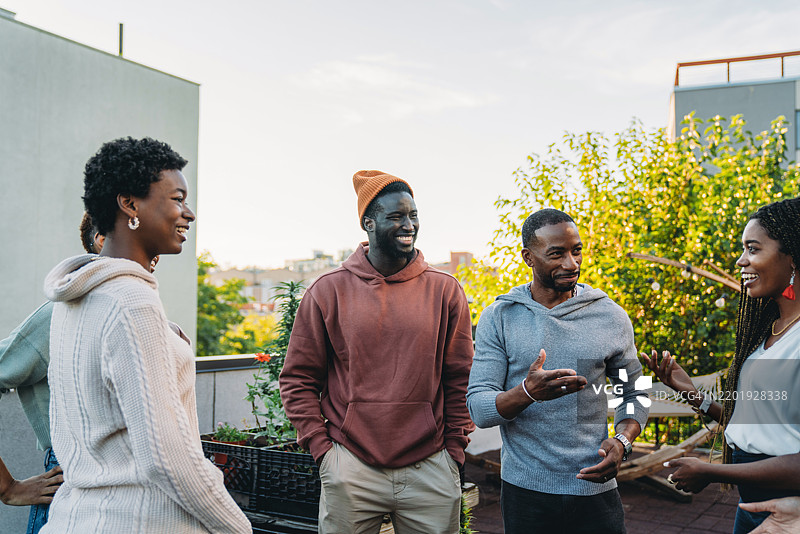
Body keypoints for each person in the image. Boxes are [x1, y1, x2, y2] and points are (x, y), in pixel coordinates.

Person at [39, 137, 250, 533]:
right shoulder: (130, 301)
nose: (189, 213)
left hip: (76, 518)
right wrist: (237, 527)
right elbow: (168, 457)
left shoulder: (77, 297)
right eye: (177, 199)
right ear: (130, 204)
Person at [279, 170, 474, 534]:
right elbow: (298, 378)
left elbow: (460, 377)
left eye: (413, 215)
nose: (409, 225)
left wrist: (454, 449)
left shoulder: (445, 290)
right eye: (396, 216)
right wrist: (322, 450)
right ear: (368, 223)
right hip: (350, 465)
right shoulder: (327, 290)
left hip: (430, 465)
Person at [467, 208, 649, 534]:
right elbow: (479, 409)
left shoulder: (609, 317)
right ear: (528, 257)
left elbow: (635, 391)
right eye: (557, 254)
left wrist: (623, 441)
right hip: (525, 493)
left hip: (594, 488)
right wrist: (527, 393)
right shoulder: (500, 317)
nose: (571, 263)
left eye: (576, 251)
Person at [643, 197, 800, 534]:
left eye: (753, 249)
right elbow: (755, 428)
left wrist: (711, 471)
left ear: (792, 257)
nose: (741, 260)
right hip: (751, 508)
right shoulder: (770, 331)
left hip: (790, 512)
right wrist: (690, 393)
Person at [0, 212, 101, 533]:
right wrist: (7, 487)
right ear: (102, 240)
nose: (184, 215)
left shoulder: (129, 305)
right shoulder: (65, 310)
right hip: (69, 478)